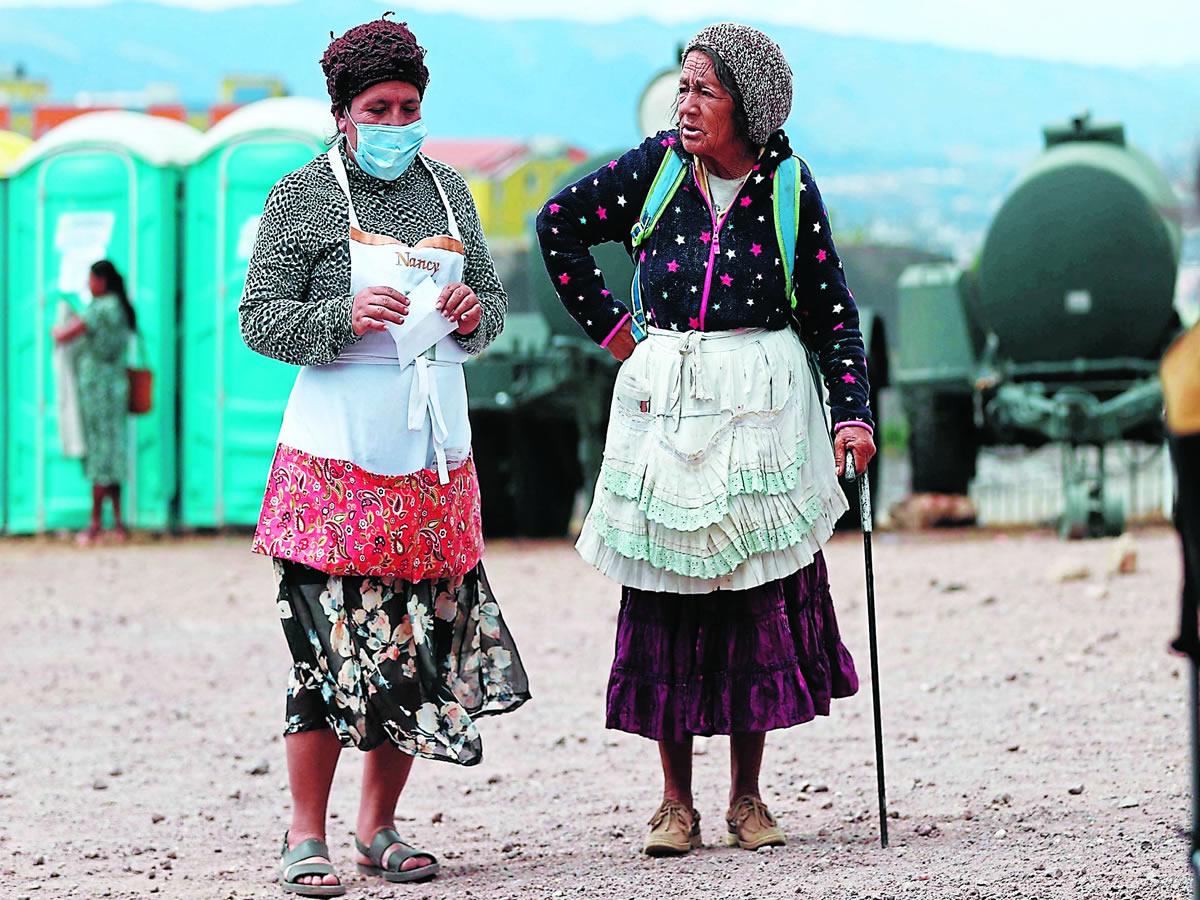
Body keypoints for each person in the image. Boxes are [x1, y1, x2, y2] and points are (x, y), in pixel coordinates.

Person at [536, 22, 875, 856]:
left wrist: (854, 414)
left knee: (751, 595)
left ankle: (748, 799)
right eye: (683, 86)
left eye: (705, 91)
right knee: (668, 597)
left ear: (746, 108)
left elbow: (832, 311)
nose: (686, 105)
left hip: (760, 409)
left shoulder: (789, 189)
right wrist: (616, 333)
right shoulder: (652, 171)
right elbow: (557, 226)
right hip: (670, 404)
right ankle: (674, 805)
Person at [239, 16, 529, 896]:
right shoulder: (301, 199)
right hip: (332, 458)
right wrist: (342, 320)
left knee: (415, 645)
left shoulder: (450, 193)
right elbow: (258, 319)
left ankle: (378, 828)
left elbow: (493, 316)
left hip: (432, 455)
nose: (396, 122)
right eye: (379, 108)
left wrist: (478, 316)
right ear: (342, 113)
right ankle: (305, 835)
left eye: (409, 107)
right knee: (323, 648)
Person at [50, 259, 134, 544]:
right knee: (113, 453)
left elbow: (65, 334)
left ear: (102, 281)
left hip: (98, 391)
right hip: (116, 389)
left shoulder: (100, 308)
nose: (88, 285)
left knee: (100, 455)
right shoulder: (120, 306)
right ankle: (120, 524)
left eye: (91, 280)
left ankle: (95, 523)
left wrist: (58, 325)